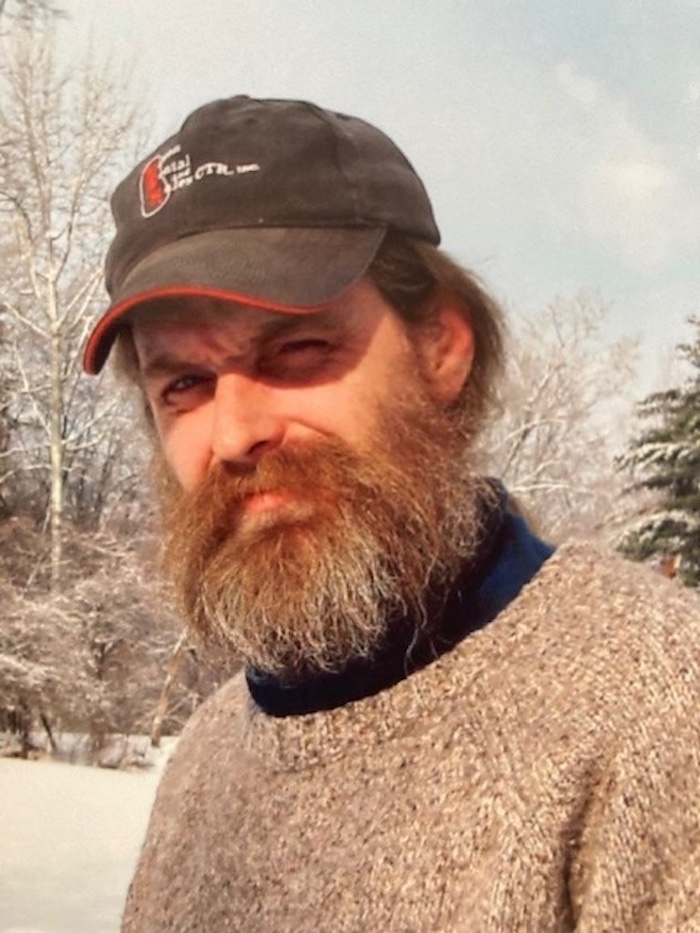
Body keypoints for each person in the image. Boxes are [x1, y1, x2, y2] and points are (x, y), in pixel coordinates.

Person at [84, 96, 700, 932]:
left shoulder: (658, 702)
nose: (235, 432)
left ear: (441, 346)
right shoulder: (206, 759)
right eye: (184, 385)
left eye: (298, 349)